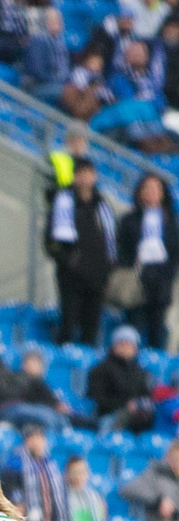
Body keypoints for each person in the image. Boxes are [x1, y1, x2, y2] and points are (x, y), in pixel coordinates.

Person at [47, 158, 115, 346]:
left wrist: (108, 268)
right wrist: (70, 262)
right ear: (75, 177)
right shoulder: (63, 201)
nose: (85, 178)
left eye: (89, 173)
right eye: (81, 174)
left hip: (97, 277)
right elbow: (51, 241)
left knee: (91, 328)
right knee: (68, 323)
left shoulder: (102, 205)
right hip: (72, 276)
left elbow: (110, 240)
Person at [115, 172, 179, 348]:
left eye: (155, 189)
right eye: (147, 188)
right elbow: (121, 249)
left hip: (160, 286)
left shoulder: (171, 223)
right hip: (135, 283)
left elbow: (173, 254)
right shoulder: (129, 220)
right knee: (132, 330)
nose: (150, 193)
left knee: (156, 332)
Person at [2, 424, 71, 521]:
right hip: (28, 517)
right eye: (32, 438)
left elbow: (59, 491)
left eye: (40, 438)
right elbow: (10, 488)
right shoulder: (15, 462)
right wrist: (17, 503)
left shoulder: (50, 463)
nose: (37, 442)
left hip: (50, 519)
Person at [87, 325, 154, 432]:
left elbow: (146, 395)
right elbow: (97, 398)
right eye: (122, 344)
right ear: (114, 346)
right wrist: (124, 405)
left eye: (130, 344)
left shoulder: (140, 371)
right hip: (108, 416)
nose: (126, 348)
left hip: (135, 414)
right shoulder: (101, 369)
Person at [120, 437, 179, 521]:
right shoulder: (155, 473)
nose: (176, 465)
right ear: (167, 458)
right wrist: (159, 499)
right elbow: (127, 489)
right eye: (174, 460)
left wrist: (174, 506)